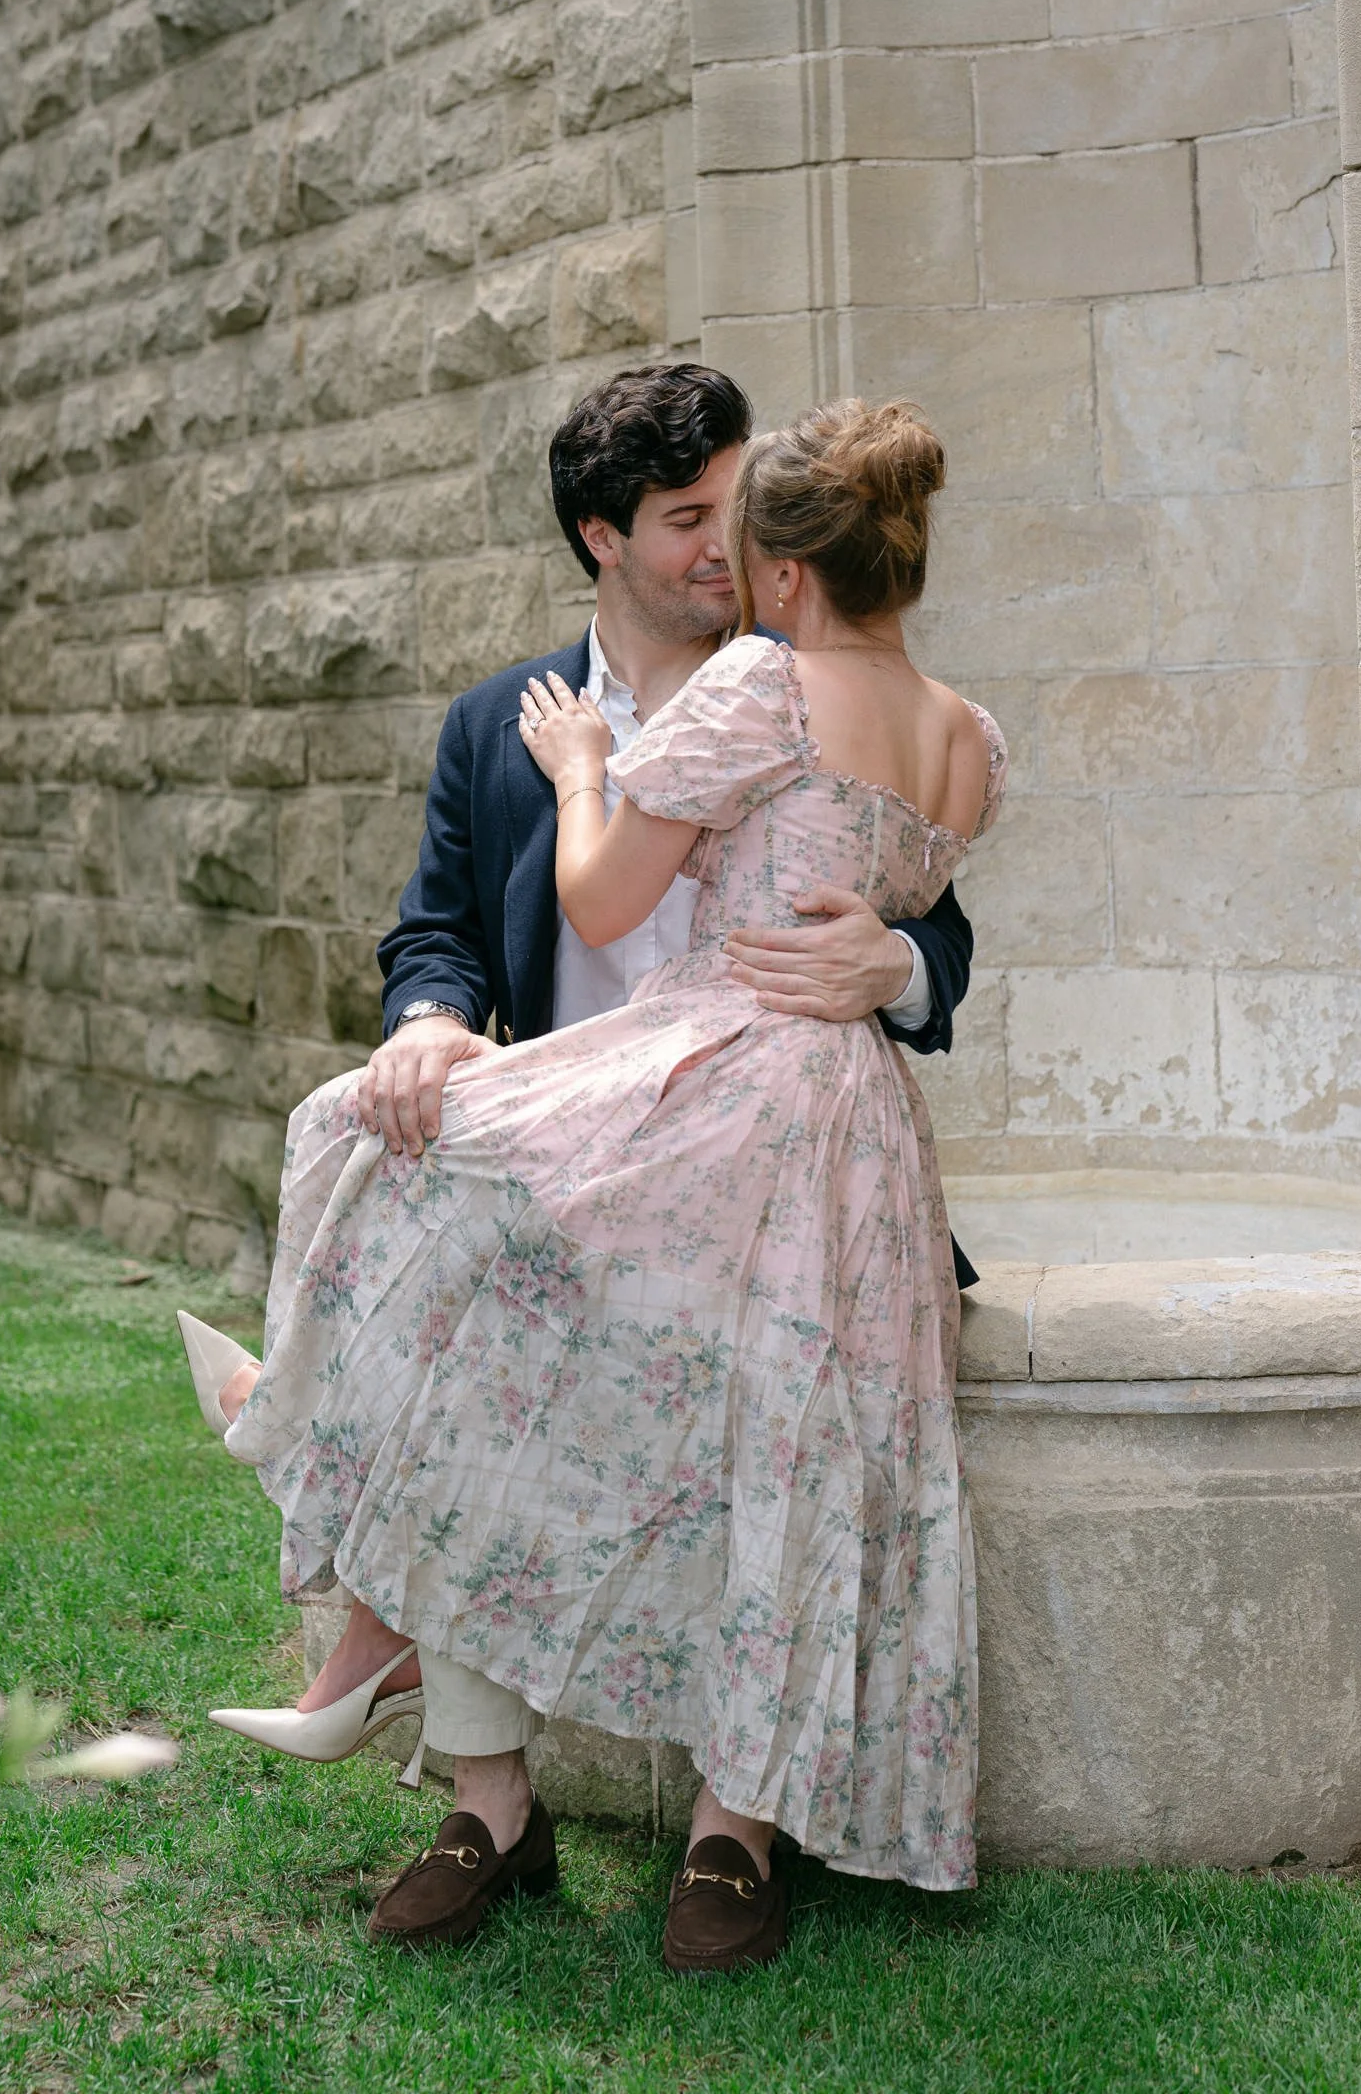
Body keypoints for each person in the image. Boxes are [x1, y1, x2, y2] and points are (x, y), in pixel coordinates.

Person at [183, 394, 1002, 1972]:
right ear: (601, 537)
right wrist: (430, 1022)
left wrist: (892, 958)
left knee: (713, 1402)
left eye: (739, 514)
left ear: (788, 562)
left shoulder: (772, 685)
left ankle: (729, 1840)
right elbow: (433, 929)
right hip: (591, 1145)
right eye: (687, 519)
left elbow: (939, 935)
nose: (723, 545)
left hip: (758, 1154)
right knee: (447, 1260)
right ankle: (489, 1804)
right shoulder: (504, 718)